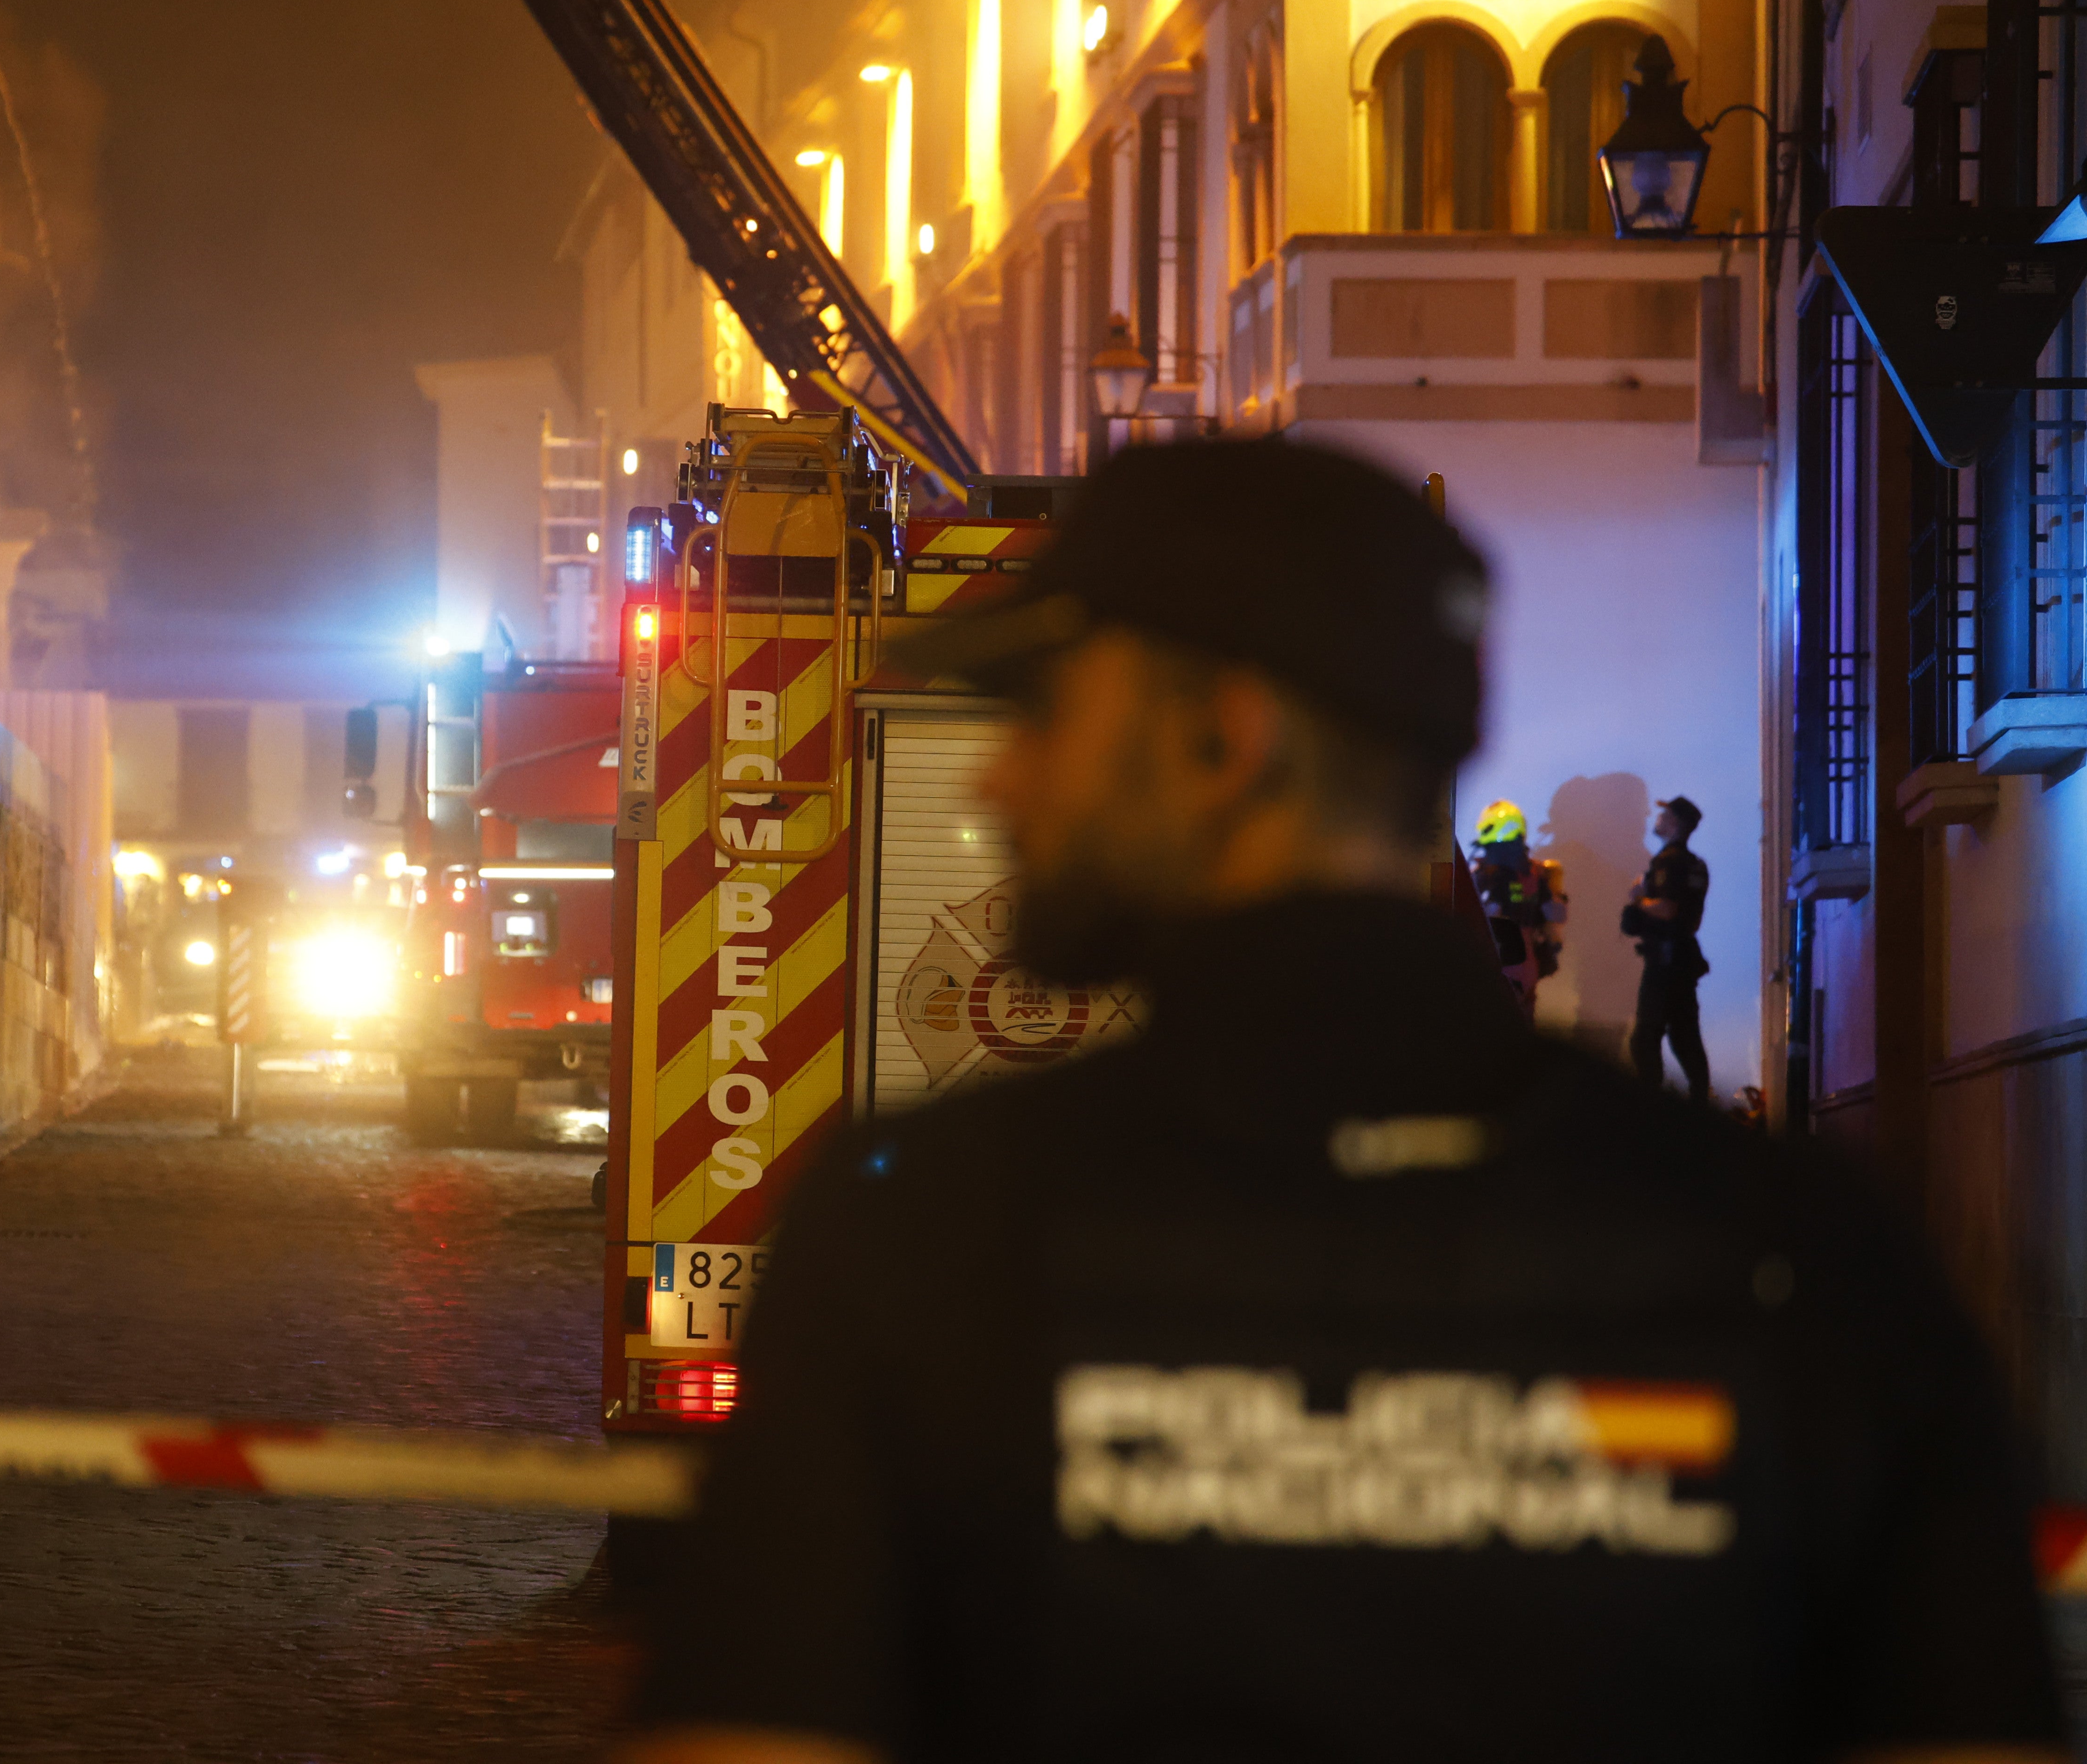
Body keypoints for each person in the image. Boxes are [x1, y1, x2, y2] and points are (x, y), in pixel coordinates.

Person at [620, 440, 2061, 1764]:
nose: (997, 774)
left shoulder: (922, 1231)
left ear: (1221, 743)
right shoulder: (1807, 1254)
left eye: (1043, 708)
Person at [1626, 794, 1711, 1103]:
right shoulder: (1696, 866)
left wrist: (1639, 900)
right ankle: (1700, 1101)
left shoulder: (1668, 862)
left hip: (1664, 962)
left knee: (1645, 1039)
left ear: (1675, 823)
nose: (1657, 820)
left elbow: (1667, 908)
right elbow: (1691, 917)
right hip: (1683, 962)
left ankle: (1651, 1108)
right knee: (1685, 1036)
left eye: (1664, 816)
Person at [1467, 797, 1565, 1021]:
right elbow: (1556, 918)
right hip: (1524, 965)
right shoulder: (1538, 875)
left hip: (1501, 964)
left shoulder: (1486, 876)